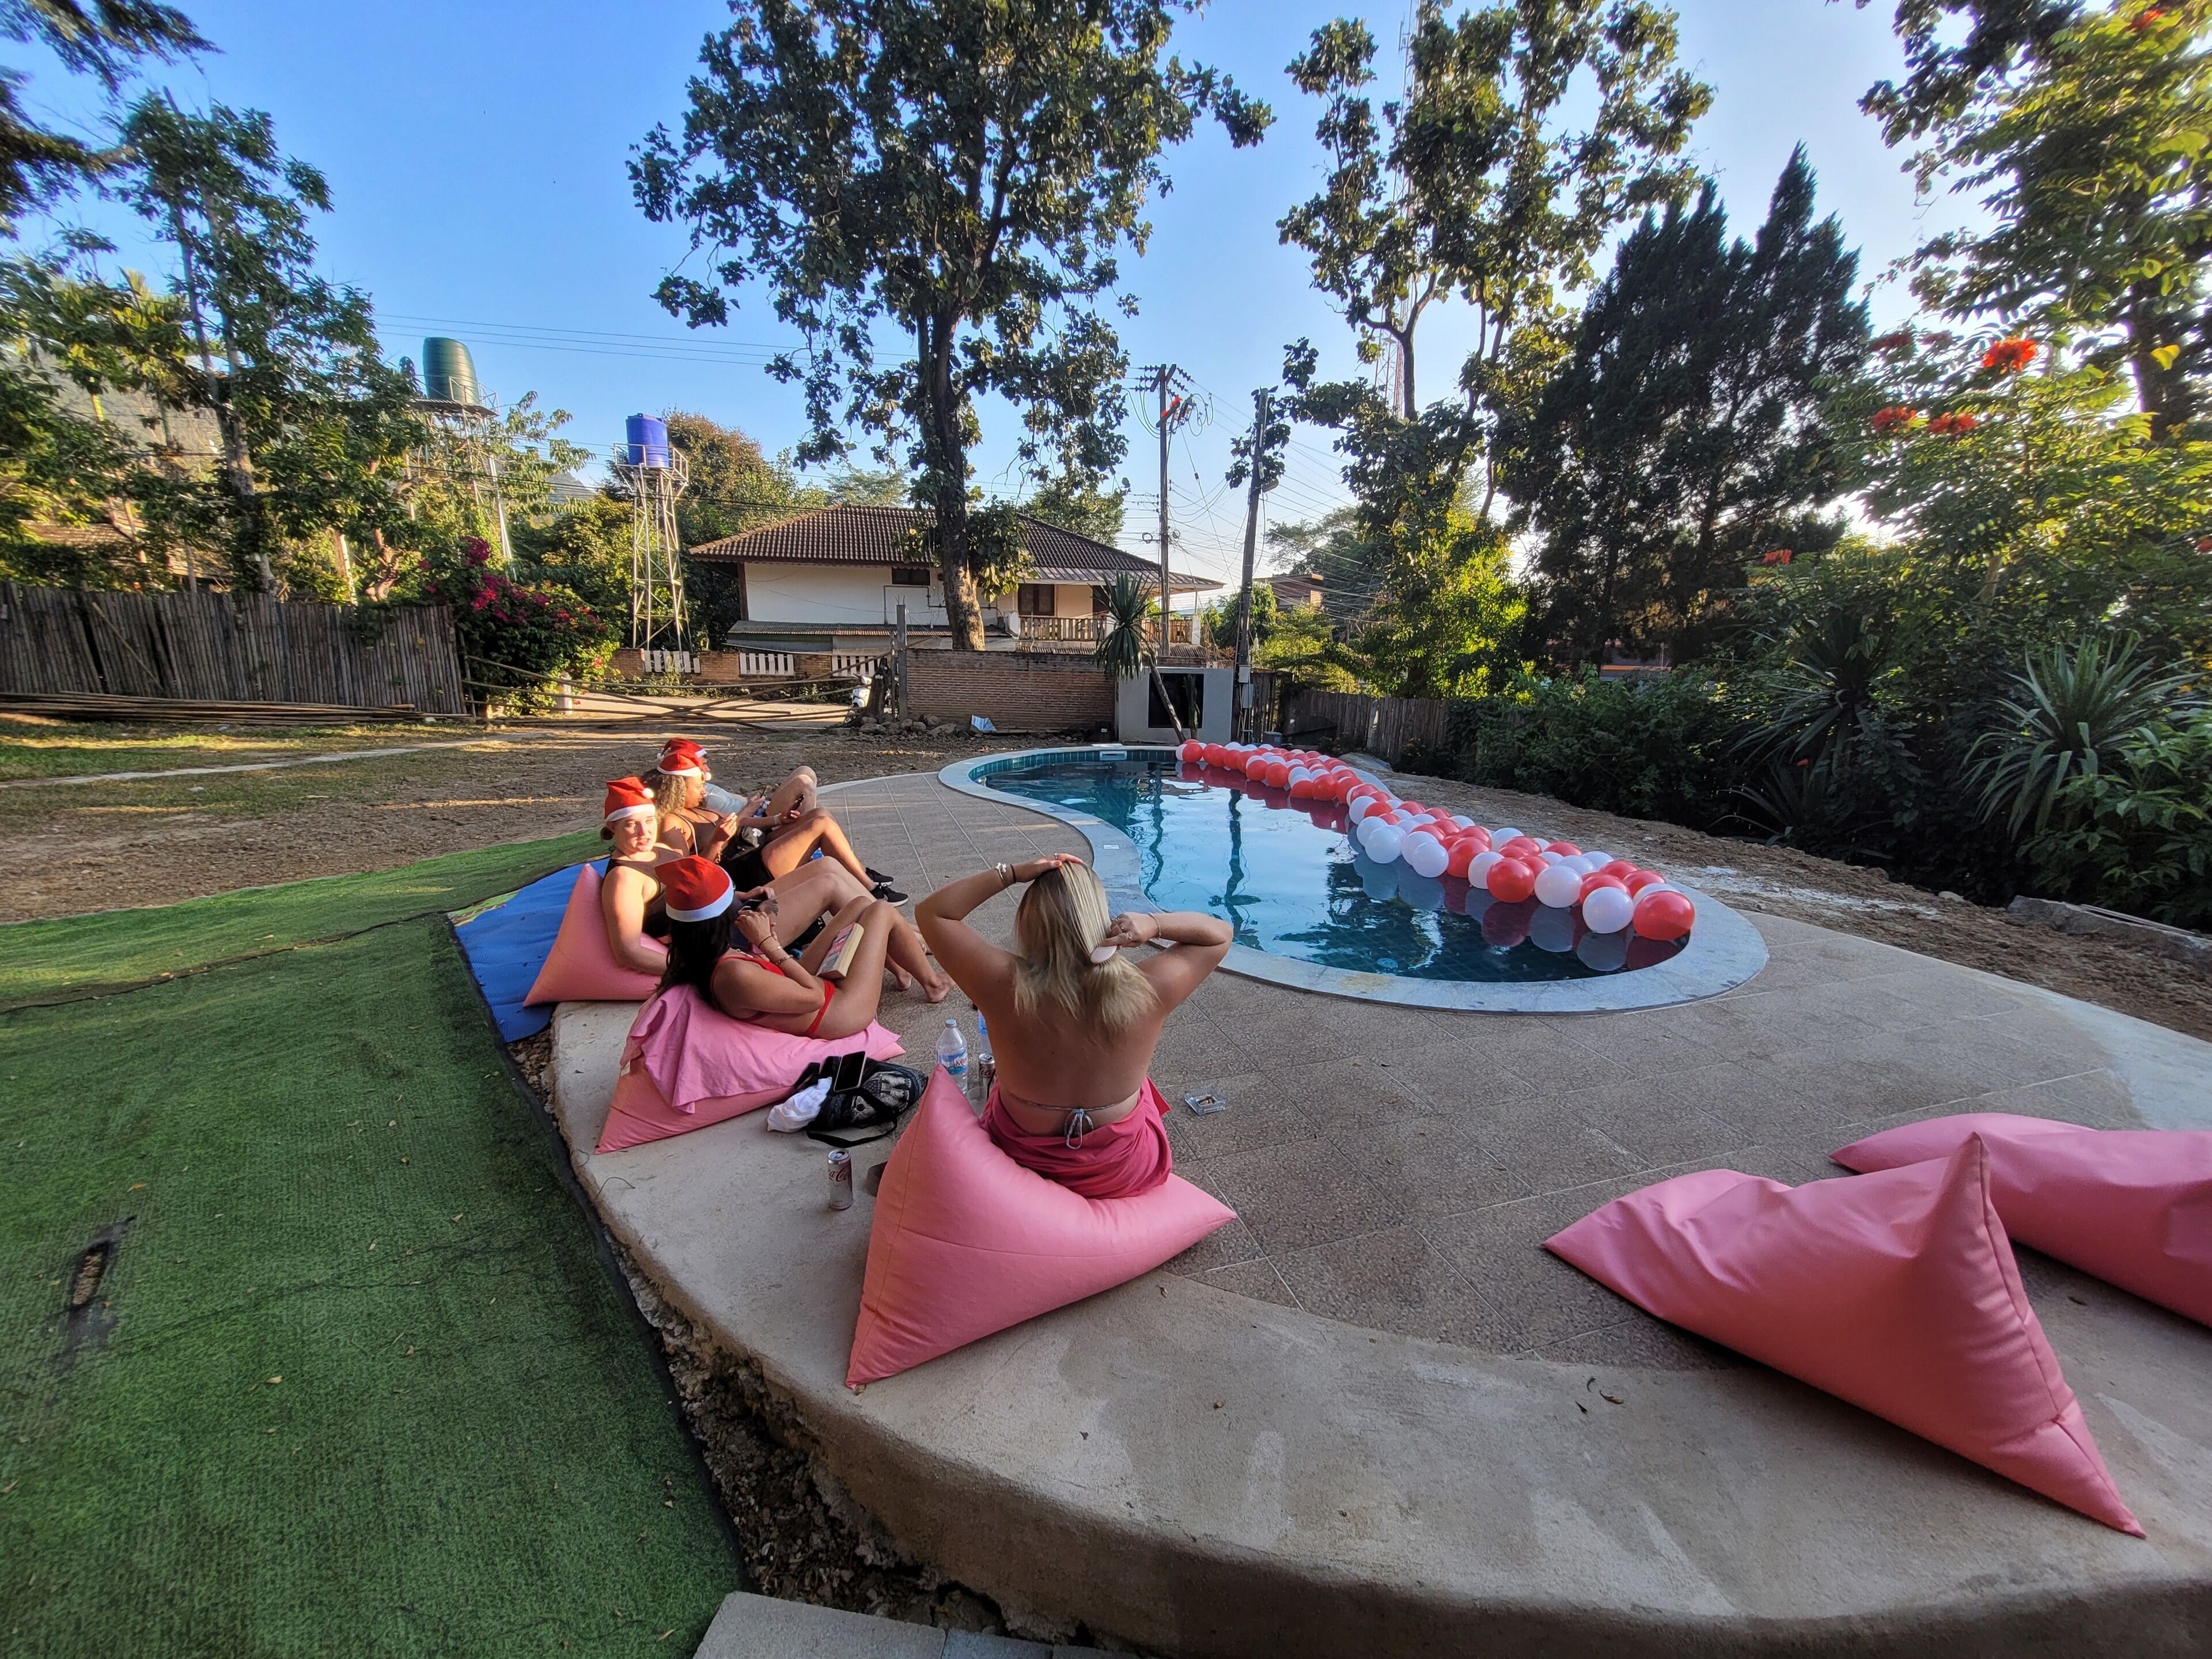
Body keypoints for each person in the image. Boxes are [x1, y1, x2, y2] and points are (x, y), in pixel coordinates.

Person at [914, 856, 1232, 1199]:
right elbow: (1219, 935)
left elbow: (933, 914)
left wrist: (1012, 873)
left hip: (1020, 1162)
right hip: (1122, 1172)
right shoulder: (1148, 989)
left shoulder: (1001, 983)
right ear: (1101, 919)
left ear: (1028, 923)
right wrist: (1154, 923)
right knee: (1139, 1085)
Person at [657, 855, 927, 1039]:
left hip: (803, 985)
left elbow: (769, 982)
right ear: (724, 918)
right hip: (838, 1013)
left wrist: (766, 943)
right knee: (880, 910)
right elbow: (815, 999)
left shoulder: (707, 956)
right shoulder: (733, 974)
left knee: (859, 905)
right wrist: (769, 944)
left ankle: (903, 972)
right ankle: (934, 984)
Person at [660, 738, 906, 902]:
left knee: (820, 814)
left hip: (754, 847)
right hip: (745, 870)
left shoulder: (699, 807)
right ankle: (871, 888)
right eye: (699, 786)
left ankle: (862, 878)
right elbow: (688, 881)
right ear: (679, 789)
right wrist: (717, 841)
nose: (705, 790)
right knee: (820, 825)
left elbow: (742, 823)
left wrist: (779, 819)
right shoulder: (673, 823)